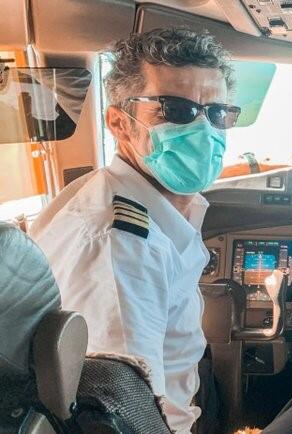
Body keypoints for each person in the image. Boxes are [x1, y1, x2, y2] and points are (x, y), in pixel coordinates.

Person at [30, 27, 240, 433]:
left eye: (216, 113)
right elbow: (119, 415)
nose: (203, 130)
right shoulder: (119, 246)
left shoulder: (146, 207)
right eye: (175, 110)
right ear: (119, 123)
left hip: (180, 411)